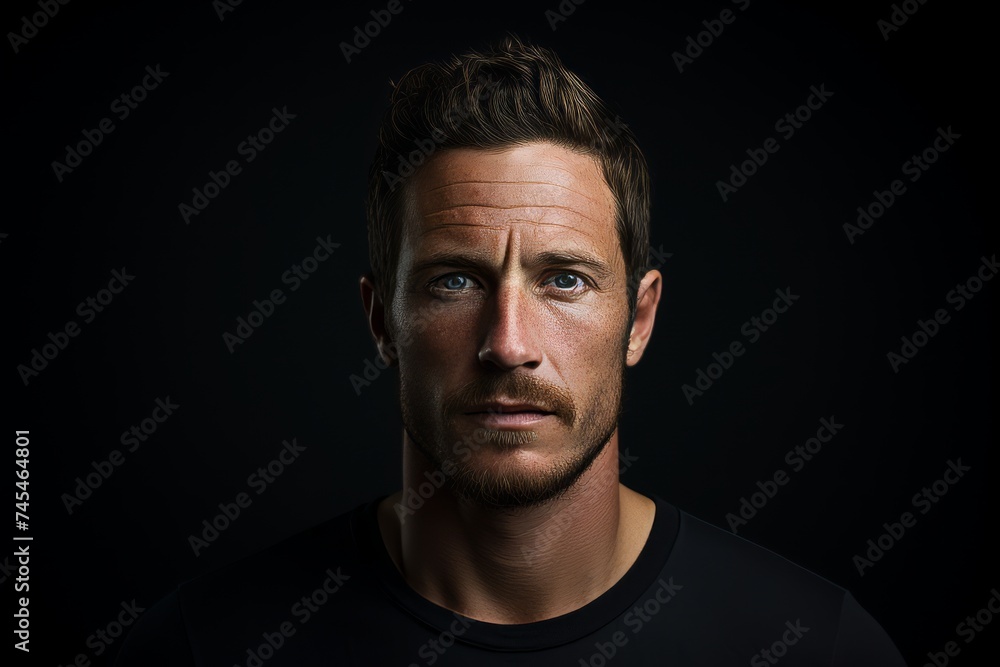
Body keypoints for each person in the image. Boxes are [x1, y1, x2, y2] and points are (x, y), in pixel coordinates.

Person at [115, 35, 906, 666]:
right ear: (381, 321)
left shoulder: (817, 644)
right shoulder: (202, 644)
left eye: (564, 279)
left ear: (640, 318)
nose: (508, 344)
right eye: (454, 281)